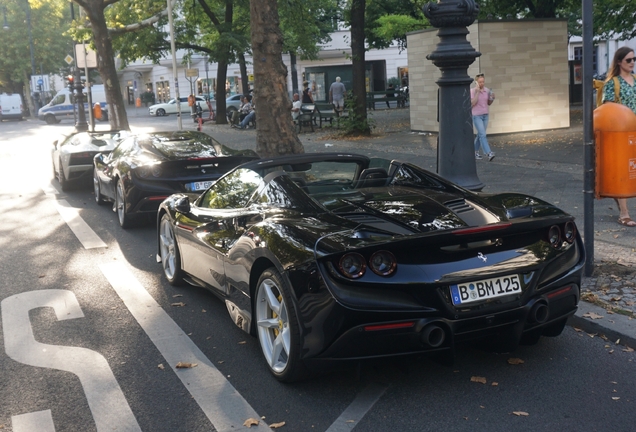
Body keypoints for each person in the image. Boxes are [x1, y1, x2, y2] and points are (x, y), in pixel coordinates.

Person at [602, 46, 636, 227]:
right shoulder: (612, 83)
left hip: (635, 130)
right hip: (621, 133)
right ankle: (624, 212)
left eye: (634, 59)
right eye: (628, 60)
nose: (632, 63)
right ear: (619, 62)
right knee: (623, 171)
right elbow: (608, 110)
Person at [471, 73, 496, 161]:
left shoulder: (487, 90)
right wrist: (477, 92)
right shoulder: (472, 91)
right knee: (482, 134)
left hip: (485, 115)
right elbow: (473, 103)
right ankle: (488, 153)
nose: (482, 84)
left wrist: (492, 98)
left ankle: (474, 152)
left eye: (483, 82)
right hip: (476, 115)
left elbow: (488, 103)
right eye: (480, 82)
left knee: (480, 135)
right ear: (476, 83)